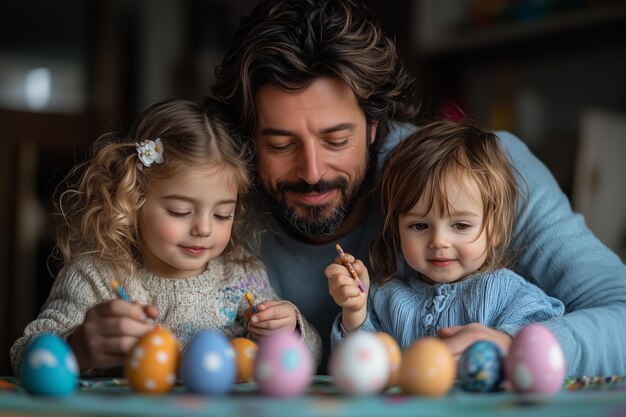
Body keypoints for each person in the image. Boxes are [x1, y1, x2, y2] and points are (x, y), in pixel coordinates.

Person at [209, 0, 626, 376]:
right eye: (280, 144)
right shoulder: (213, 207)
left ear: (374, 124)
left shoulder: (485, 171)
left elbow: (620, 312)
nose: (313, 171)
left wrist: (515, 348)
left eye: (337, 140)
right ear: (247, 139)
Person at [10, 98, 321, 376]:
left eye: (222, 214)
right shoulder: (98, 277)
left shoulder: (242, 277)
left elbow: (309, 359)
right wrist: (78, 348)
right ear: (133, 201)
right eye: (180, 211)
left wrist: (289, 331)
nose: (204, 228)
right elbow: (24, 356)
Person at [326, 119, 565, 350]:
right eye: (419, 226)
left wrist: (504, 344)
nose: (439, 241)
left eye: (460, 225)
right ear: (397, 230)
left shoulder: (505, 293)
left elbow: (545, 343)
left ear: (494, 231)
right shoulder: (385, 299)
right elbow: (362, 366)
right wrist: (355, 313)